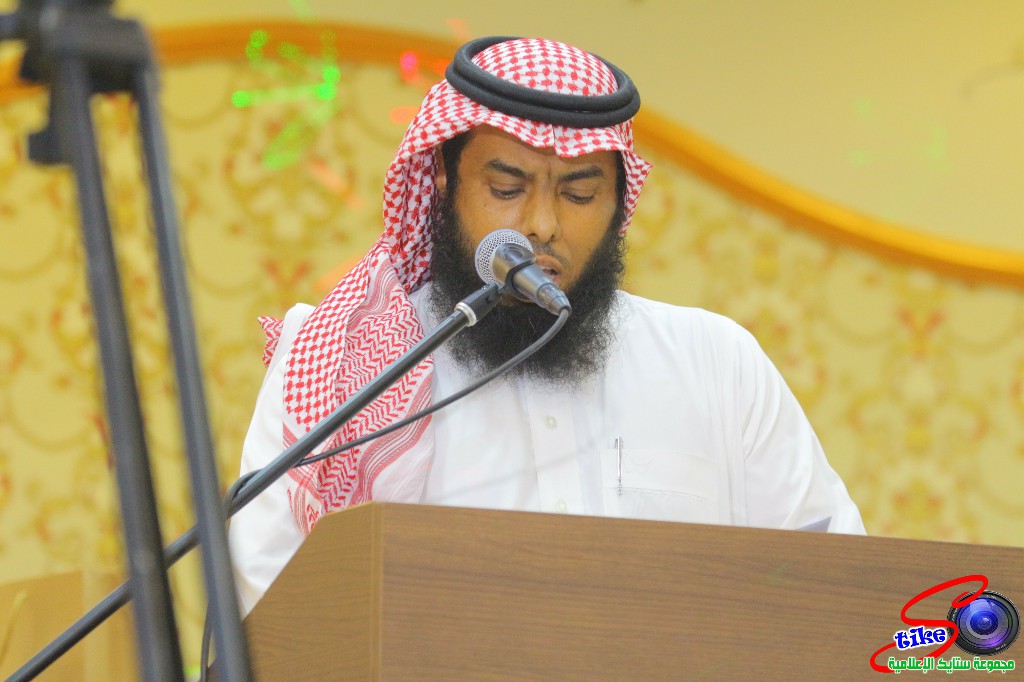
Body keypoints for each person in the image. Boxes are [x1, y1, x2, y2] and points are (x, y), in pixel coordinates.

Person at [227, 36, 865, 614]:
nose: (541, 225)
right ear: (445, 181)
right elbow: (273, 605)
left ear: (619, 201)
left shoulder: (717, 364)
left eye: (579, 194)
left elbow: (834, 587)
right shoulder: (344, 361)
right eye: (507, 188)